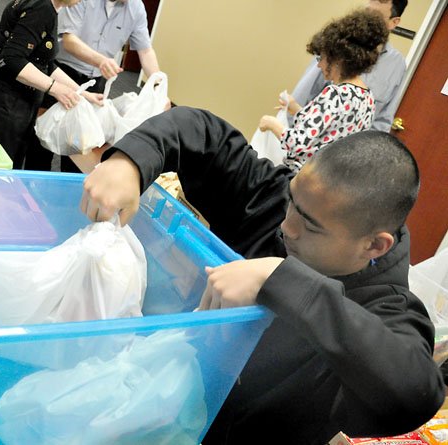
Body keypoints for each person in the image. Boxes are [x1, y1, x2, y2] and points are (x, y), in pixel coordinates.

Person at [80, 106, 445, 444]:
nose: (286, 226)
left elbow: (414, 393)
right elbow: (202, 131)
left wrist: (282, 280)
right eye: (292, 203)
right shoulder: (275, 199)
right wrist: (129, 161)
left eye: (311, 226)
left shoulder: (388, 312)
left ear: (374, 246)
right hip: (151, 414)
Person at [24, 0, 161, 172]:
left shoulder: (136, 8)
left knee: (80, 145)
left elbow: (145, 50)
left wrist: (158, 86)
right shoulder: (83, 1)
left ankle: (67, 188)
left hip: (96, 81)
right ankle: (32, 186)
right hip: (62, 72)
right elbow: (69, 40)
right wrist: (100, 60)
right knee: (43, 136)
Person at [0, 0, 103, 169]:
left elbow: (45, 64)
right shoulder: (42, 8)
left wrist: (83, 93)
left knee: (4, 171)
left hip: (13, 103)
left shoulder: (48, 7)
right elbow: (11, 60)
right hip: (3, 105)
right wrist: (54, 88)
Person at [259, 9, 388, 172]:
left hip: (299, 179)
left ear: (338, 59)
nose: (319, 65)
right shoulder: (367, 98)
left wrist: (271, 123)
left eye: (321, 58)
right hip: (325, 181)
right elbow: (325, 131)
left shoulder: (335, 94)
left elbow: (297, 145)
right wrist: (296, 109)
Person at [290, 0, 408, 132]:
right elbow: (304, 93)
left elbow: (383, 120)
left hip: (352, 148)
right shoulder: (340, 45)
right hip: (309, 137)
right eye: (366, 13)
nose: (367, 20)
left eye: (376, 16)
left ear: (394, 22)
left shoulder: (397, 65)